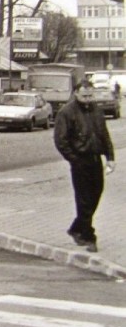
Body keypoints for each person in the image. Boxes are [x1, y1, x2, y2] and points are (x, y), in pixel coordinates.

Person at [53, 79, 116, 253]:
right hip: (80, 160)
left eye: (90, 95)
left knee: (96, 194)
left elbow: (104, 134)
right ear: (76, 93)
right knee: (84, 199)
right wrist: (73, 159)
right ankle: (89, 236)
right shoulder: (67, 112)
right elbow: (61, 140)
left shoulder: (96, 111)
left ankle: (76, 227)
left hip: (95, 159)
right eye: (84, 95)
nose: (88, 99)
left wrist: (110, 157)